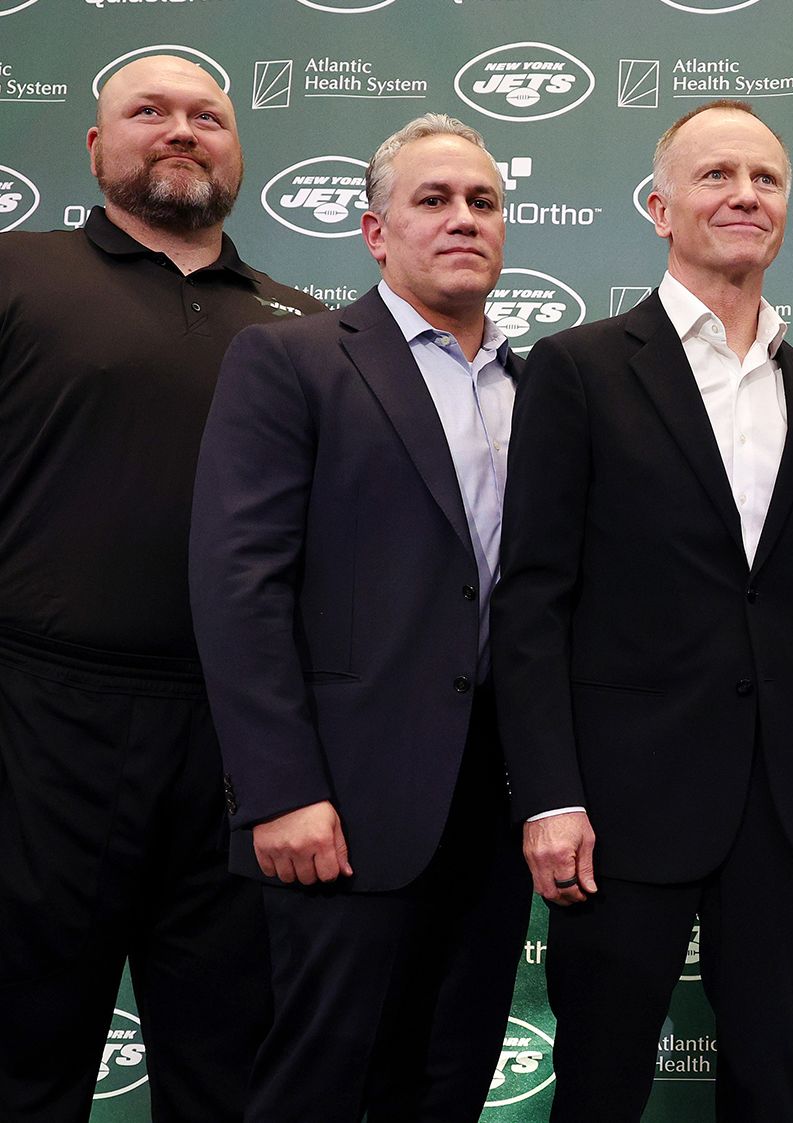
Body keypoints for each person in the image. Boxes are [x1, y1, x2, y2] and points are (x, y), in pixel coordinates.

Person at [492, 100, 793, 1122]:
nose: (744, 195)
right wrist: (548, 794)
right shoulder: (576, 370)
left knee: (769, 1089)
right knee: (600, 1087)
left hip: (781, 803)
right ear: (659, 207)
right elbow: (531, 598)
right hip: (618, 804)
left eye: (764, 179)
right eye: (715, 176)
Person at [0, 55, 324, 1121]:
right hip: (36, 723)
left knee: (228, 1070)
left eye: (208, 116)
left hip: (239, 746)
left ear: (238, 150)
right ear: (96, 147)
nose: (181, 131)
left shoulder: (307, 324)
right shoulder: (17, 273)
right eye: (150, 112)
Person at [189, 113, 527, 1121]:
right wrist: (280, 787)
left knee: (449, 1081)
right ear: (376, 232)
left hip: (496, 808)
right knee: (320, 1087)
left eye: (482, 201)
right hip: (341, 806)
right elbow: (238, 584)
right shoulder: (290, 360)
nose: (462, 219)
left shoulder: (542, 385)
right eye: (433, 200)